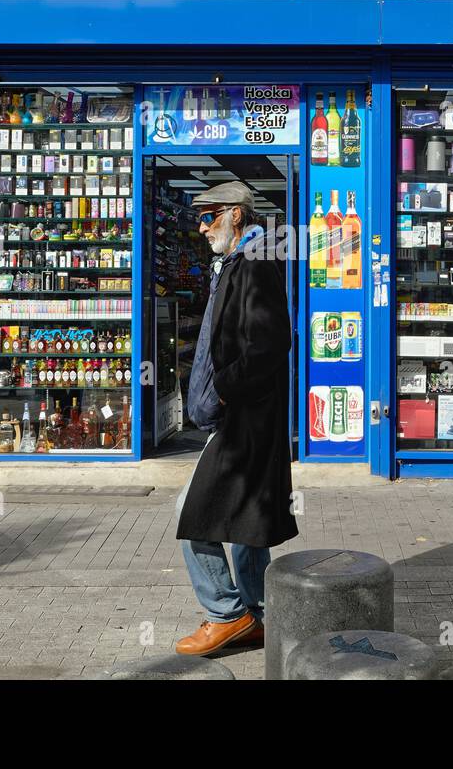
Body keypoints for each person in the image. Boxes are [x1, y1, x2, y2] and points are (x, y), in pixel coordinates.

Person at [174, 181, 298, 655]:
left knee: (194, 513)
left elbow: (270, 343)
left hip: (246, 418)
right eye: (199, 218)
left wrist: (223, 390)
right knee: (246, 521)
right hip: (243, 419)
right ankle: (259, 615)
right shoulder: (237, 261)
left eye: (208, 217)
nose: (201, 227)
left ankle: (226, 613)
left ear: (235, 215)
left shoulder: (256, 264)